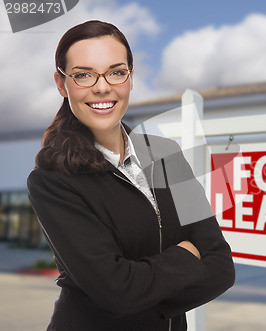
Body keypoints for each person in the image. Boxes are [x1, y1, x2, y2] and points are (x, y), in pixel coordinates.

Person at [27, 20, 235, 331]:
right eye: (83, 75)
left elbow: (220, 265)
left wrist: (146, 299)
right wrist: (187, 255)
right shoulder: (52, 181)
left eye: (116, 71)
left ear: (130, 77)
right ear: (61, 84)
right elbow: (118, 292)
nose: (102, 86)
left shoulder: (167, 154)